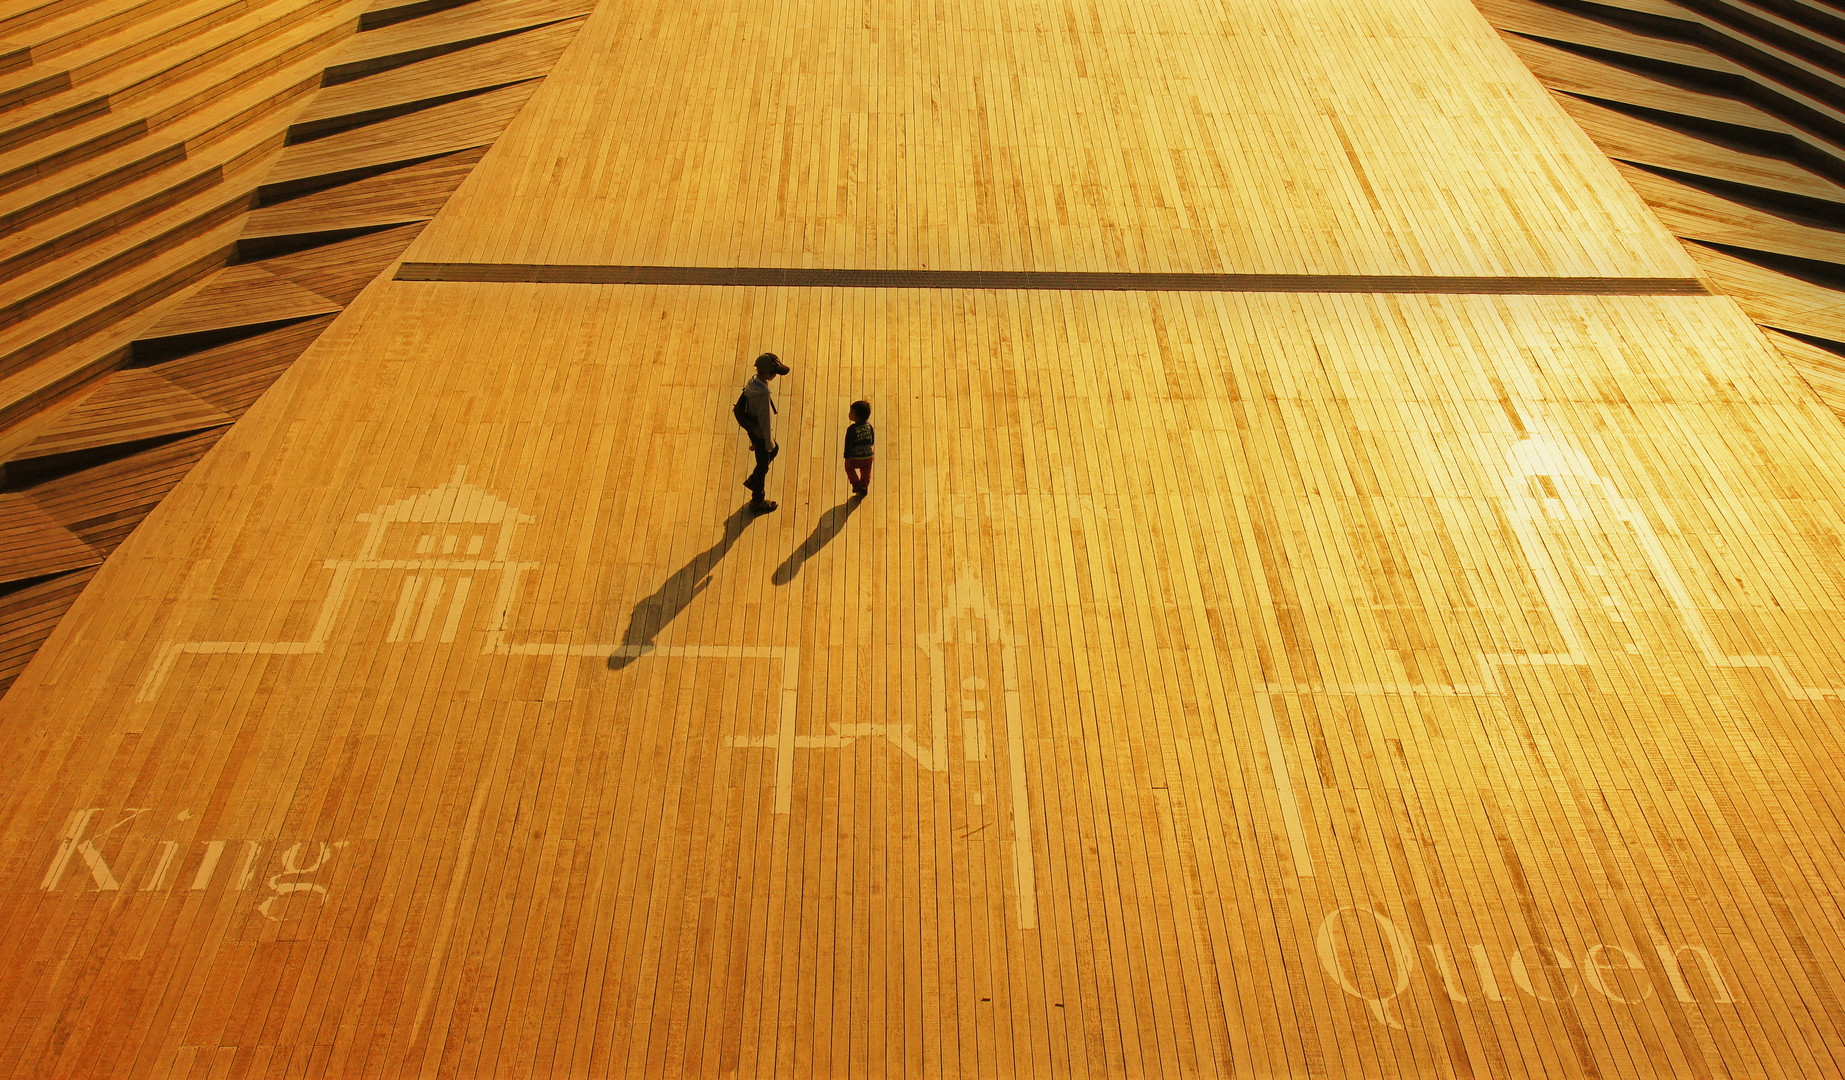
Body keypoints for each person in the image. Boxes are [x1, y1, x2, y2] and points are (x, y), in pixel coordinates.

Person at [739, 352, 789, 512]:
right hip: (760, 433)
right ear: (767, 373)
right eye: (774, 373)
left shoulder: (752, 382)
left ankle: (753, 480)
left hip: (753, 431)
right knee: (763, 466)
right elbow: (765, 421)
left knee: (768, 456)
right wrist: (768, 442)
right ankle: (757, 500)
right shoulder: (763, 394)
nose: (775, 375)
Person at [843, 399, 874, 496]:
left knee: (849, 468)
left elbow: (848, 445)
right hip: (868, 457)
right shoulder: (869, 426)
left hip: (855, 458)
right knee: (866, 472)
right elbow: (872, 440)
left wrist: (847, 458)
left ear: (857, 416)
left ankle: (856, 484)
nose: (849, 413)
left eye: (851, 412)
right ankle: (864, 486)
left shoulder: (852, 429)